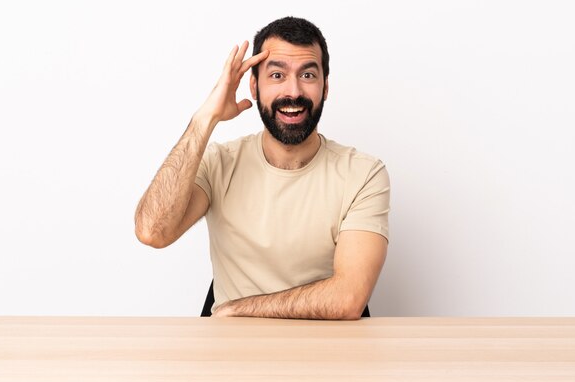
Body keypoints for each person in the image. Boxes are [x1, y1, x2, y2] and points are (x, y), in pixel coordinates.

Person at [134, 17, 390, 320]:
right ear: (254, 86)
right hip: (233, 354)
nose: (293, 91)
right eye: (277, 74)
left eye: (308, 74)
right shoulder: (220, 163)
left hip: (328, 354)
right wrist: (205, 118)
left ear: (325, 87)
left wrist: (239, 309)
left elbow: (348, 298)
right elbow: (152, 231)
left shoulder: (363, 174)